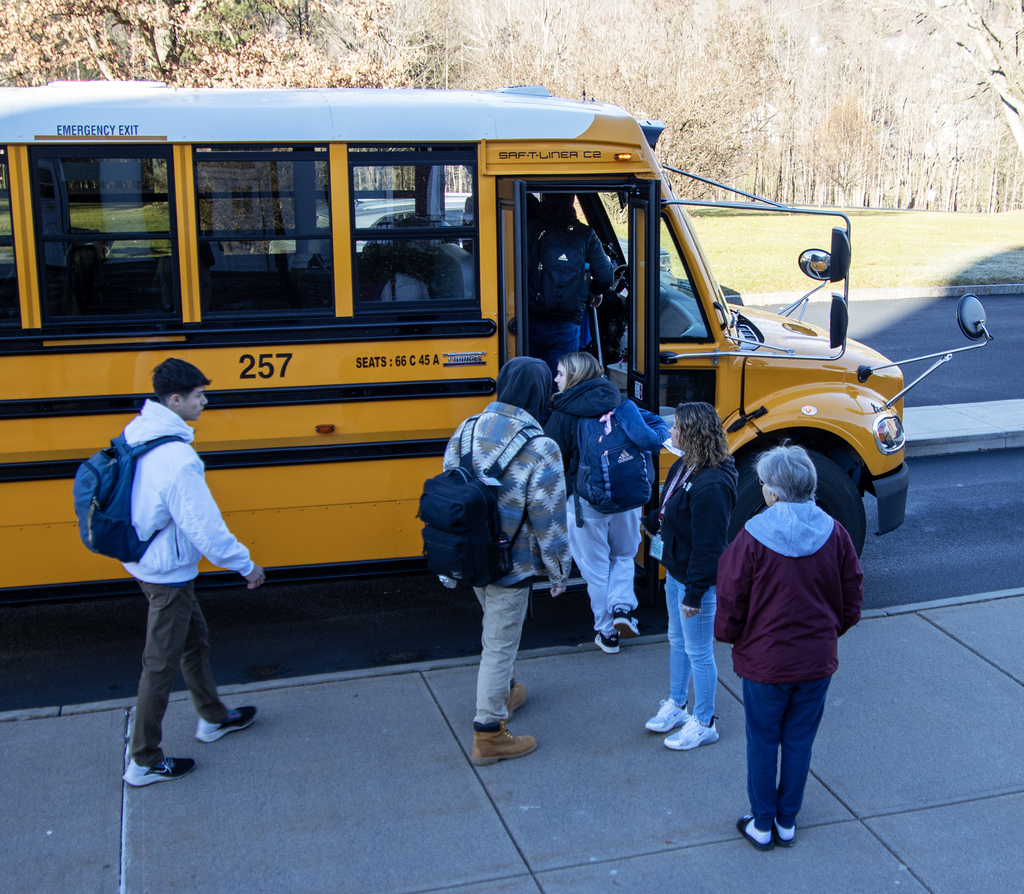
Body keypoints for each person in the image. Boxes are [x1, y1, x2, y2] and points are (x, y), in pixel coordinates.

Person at [121, 358, 266, 787]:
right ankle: (143, 761)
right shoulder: (177, 457)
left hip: (147, 560)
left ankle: (213, 717)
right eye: (199, 395)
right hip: (166, 570)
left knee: (193, 641)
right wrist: (246, 564)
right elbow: (205, 528)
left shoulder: (139, 431)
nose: (205, 401)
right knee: (160, 664)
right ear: (175, 399)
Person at [715, 444, 863, 850]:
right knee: (799, 741)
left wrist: (729, 636)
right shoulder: (836, 534)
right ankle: (786, 822)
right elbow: (852, 595)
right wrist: (833, 632)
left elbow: (730, 601)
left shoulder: (750, 539)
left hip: (765, 664)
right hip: (816, 662)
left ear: (774, 493)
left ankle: (762, 823)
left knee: (763, 740)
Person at [443, 356, 571, 766]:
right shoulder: (541, 446)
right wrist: (558, 571)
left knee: (496, 631)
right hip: (511, 565)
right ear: (539, 394)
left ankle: (509, 689)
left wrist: (449, 567)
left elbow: (450, 498)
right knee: (498, 644)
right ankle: (490, 733)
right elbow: (550, 518)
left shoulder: (465, 430)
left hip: (470, 559)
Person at [544, 351, 669, 653]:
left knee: (596, 569)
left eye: (560, 373)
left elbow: (550, 462)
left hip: (587, 505)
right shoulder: (620, 402)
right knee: (624, 557)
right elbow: (652, 435)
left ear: (573, 377)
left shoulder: (563, 413)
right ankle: (623, 608)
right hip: (627, 499)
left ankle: (608, 632)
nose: (556, 379)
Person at [641, 401, 737, 749]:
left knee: (699, 652)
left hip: (696, 584)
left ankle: (705, 720)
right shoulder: (687, 464)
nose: (671, 432)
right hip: (677, 571)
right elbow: (673, 505)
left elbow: (710, 549)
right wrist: (654, 520)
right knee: (677, 641)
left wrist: (695, 595)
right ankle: (678, 705)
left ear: (694, 435)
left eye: (677, 427)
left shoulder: (712, 485)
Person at [526, 193, 614, 378]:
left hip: (530, 318)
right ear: (572, 202)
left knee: (528, 377)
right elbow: (605, 276)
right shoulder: (585, 233)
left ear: (544, 201)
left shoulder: (528, 229)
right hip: (567, 322)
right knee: (561, 381)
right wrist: (594, 292)